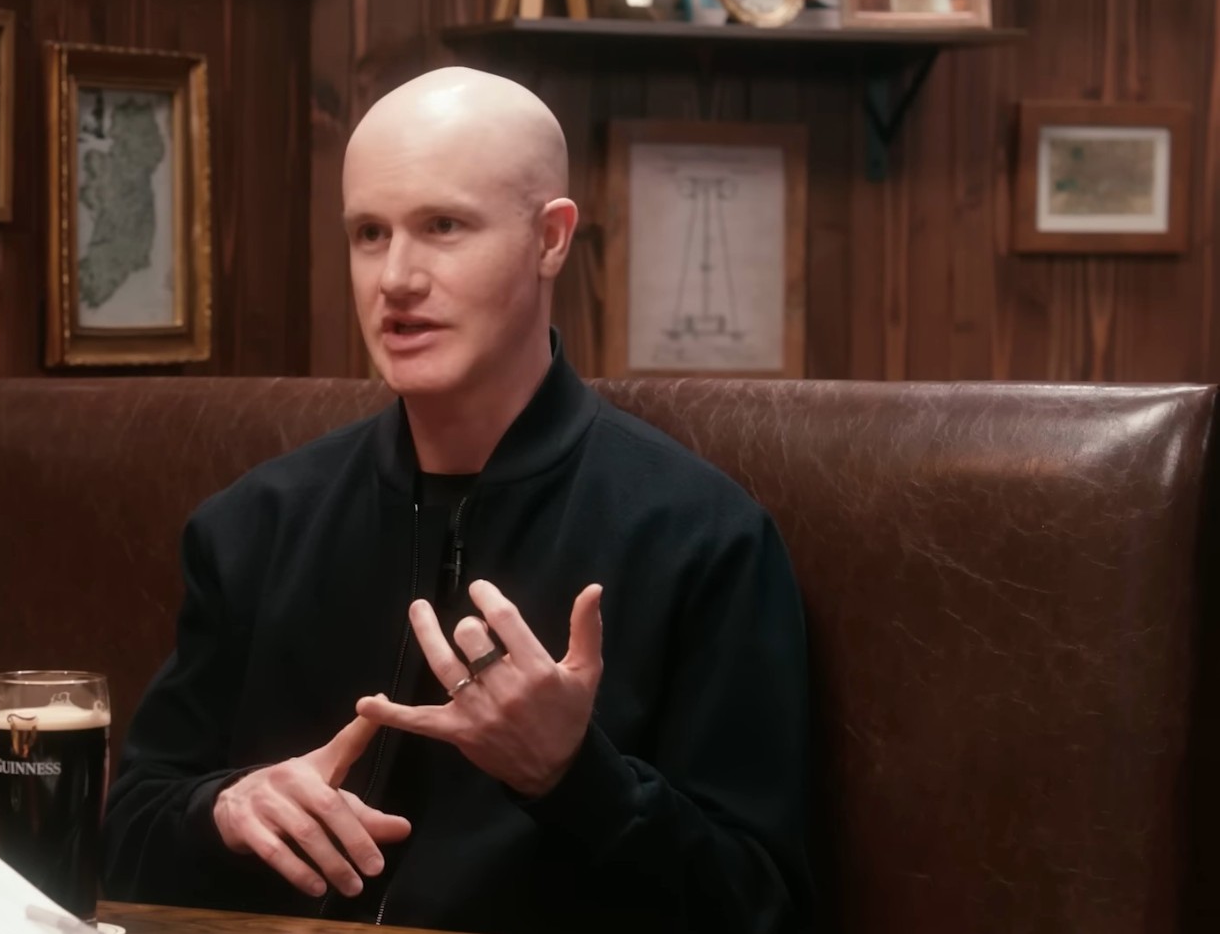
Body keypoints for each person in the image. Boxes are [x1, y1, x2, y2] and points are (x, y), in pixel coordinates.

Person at [101, 66, 812, 934]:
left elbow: (763, 907)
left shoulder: (703, 537)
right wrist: (222, 809)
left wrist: (574, 777)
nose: (396, 277)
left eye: (442, 226)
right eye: (370, 233)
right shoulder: (254, 524)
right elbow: (124, 837)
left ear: (550, 239)